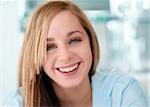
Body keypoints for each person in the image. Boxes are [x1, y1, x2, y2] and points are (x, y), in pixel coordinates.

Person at [4, 1, 149, 107]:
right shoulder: (19, 104)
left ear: (91, 43)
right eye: (50, 47)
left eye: (74, 40)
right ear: (35, 58)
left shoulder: (123, 94)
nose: (65, 56)